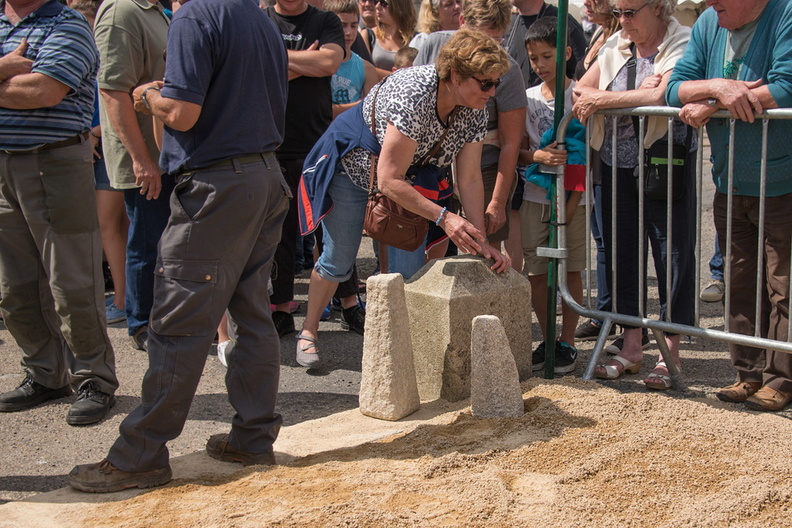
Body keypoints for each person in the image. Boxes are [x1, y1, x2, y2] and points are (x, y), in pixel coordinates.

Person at [67, 0, 290, 493]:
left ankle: (140, 455)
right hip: (263, 175)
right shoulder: (256, 17)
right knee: (251, 313)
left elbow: (183, 114)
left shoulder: (195, 16)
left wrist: (146, 95)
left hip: (218, 185)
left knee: (176, 323)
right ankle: (252, 438)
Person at [296, 28, 512, 368]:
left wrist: (480, 238)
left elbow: (469, 178)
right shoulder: (414, 93)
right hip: (355, 170)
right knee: (338, 259)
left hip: (406, 179)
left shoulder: (475, 106)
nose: (492, 91)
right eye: (485, 83)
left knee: (408, 272)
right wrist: (444, 217)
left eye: (496, 83)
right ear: (455, 75)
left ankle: (399, 354)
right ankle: (308, 331)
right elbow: (387, 179)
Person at [667, 0, 792, 411]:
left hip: (782, 182)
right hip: (731, 179)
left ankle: (782, 379)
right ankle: (748, 374)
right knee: (739, 281)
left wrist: (712, 102)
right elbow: (675, 86)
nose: (710, 3)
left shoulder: (785, 12)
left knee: (783, 284)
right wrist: (717, 88)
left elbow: (786, 85)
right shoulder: (708, 22)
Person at [0, 0, 118, 425]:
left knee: (72, 282)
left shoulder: (67, 23)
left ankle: (95, 380)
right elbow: (27, 88)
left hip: (54, 164)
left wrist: (15, 74)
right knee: (14, 288)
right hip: (4, 165)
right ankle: (45, 374)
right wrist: (8, 69)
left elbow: (45, 90)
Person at [572, 0, 694, 390]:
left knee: (670, 254)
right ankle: (632, 346)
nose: (622, 21)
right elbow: (580, 90)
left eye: (630, 12)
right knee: (623, 254)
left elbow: (660, 97)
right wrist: (626, 96)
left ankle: (670, 351)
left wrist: (604, 100)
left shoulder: (683, 41)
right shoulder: (616, 45)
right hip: (614, 165)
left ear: (658, 7)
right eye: (618, 12)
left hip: (665, 162)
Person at [412, 0, 525, 277]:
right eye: (485, 36)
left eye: (498, 37)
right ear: (463, 23)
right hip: (430, 163)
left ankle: (487, 316)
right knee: (427, 244)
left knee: (484, 251)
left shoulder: (507, 70)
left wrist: (497, 202)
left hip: (483, 163)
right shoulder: (433, 45)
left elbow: (511, 141)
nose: (491, 45)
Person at [94, 0, 172, 352]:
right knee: (146, 241)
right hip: (144, 157)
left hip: (164, 150)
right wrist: (141, 159)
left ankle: (161, 318)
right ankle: (141, 323)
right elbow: (112, 91)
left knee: (163, 242)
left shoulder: (154, 10)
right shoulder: (121, 11)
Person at [265, 0, 345, 338]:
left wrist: (280, 60)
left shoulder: (325, 20)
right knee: (279, 234)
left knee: (334, 227)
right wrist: (304, 61)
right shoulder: (261, 20)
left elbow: (329, 62)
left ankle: (349, 302)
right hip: (273, 141)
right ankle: (281, 307)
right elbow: (256, 67)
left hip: (319, 142)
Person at [519, 17, 585, 375]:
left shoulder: (580, 96)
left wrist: (572, 204)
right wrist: (537, 156)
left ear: (567, 53)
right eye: (534, 58)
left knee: (571, 266)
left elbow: (582, 154)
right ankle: (549, 339)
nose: (541, 65)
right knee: (537, 269)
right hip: (535, 196)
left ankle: (569, 341)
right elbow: (518, 149)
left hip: (573, 198)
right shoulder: (526, 99)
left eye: (547, 56)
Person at [573, 0, 621, 342]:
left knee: (615, 240)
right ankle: (606, 310)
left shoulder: (620, 38)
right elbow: (580, 90)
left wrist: (597, 99)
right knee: (601, 239)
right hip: (587, 152)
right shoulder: (599, 36)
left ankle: (619, 315)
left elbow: (592, 92)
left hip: (614, 154)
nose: (588, 3)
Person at [502, 0, 588, 89]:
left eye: (547, 56)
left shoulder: (562, 21)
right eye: (534, 58)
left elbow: (581, 73)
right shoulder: (506, 24)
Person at [361, 0, 415, 74]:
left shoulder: (415, 39)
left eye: (384, 3)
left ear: (399, 6)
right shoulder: (368, 35)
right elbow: (364, 70)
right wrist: (395, 76)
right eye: (376, 2)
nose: (377, 7)